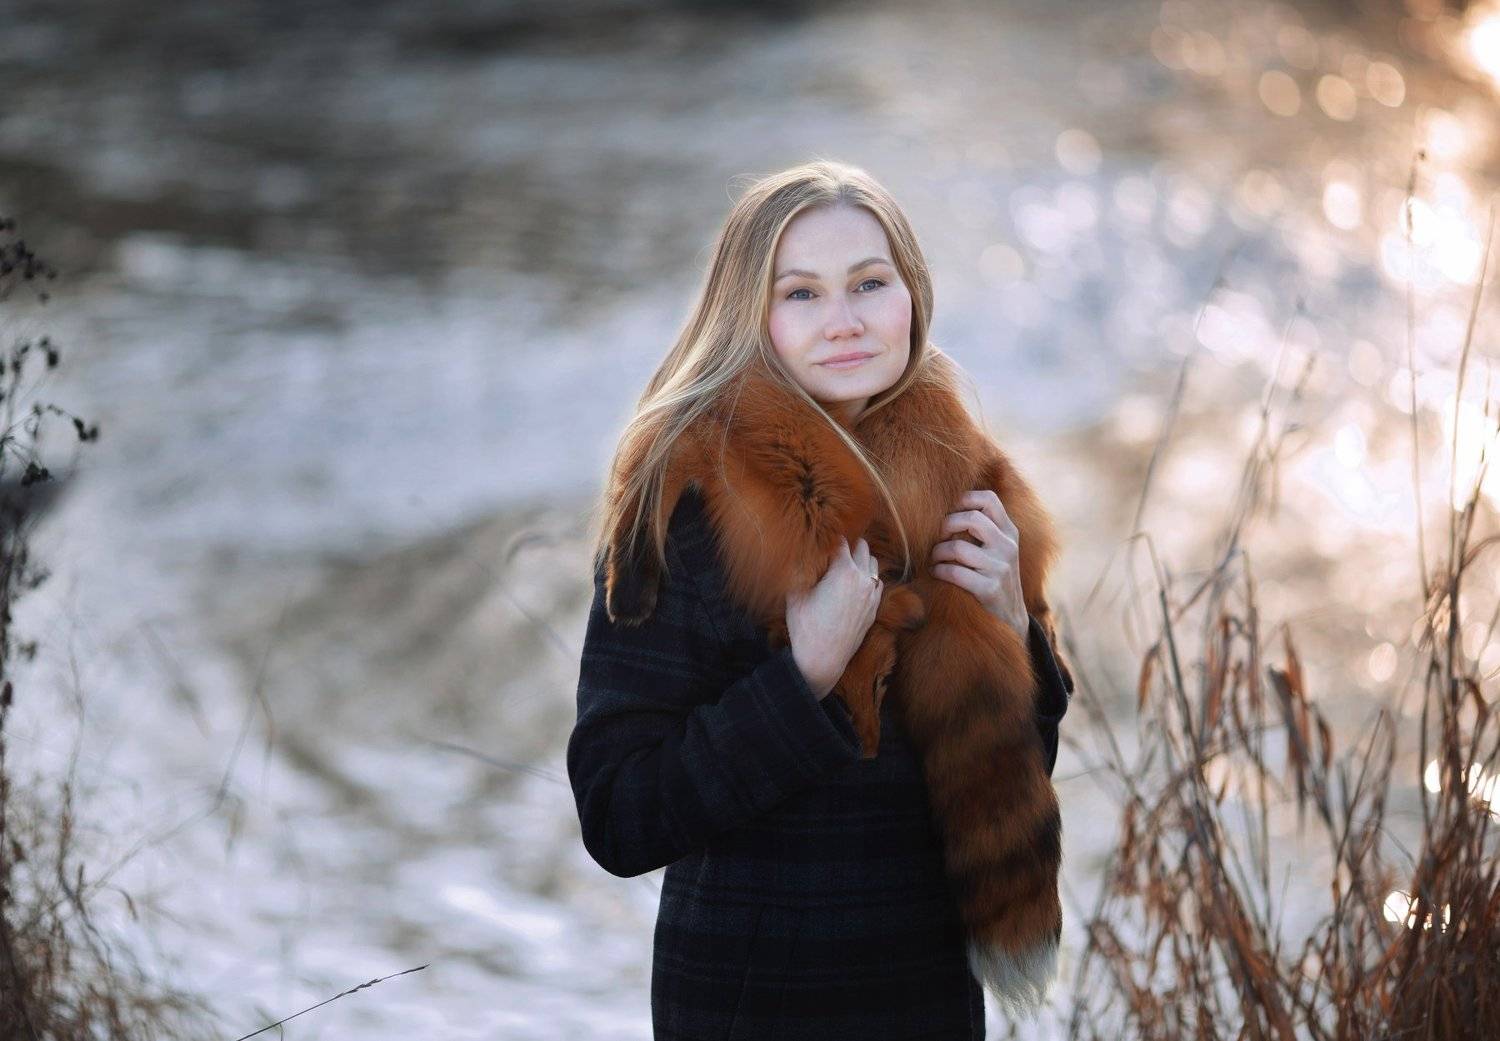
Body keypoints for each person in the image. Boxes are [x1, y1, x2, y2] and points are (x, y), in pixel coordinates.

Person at [566, 159, 1074, 1040]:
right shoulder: (690, 496)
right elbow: (620, 815)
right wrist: (801, 676)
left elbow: (1011, 766)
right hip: (752, 1005)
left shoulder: (966, 483)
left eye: (869, 283)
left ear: (912, 295)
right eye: (801, 293)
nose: (844, 320)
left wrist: (1012, 624)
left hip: (927, 999)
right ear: (750, 314)